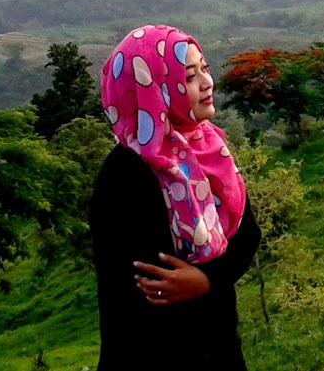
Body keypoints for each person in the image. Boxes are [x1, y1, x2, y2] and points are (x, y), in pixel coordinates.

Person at [91, 24, 260, 369]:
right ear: (154, 89)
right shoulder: (126, 174)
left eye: (205, 69)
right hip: (155, 355)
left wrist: (207, 280)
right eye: (188, 76)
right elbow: (148, 286)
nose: (207, 83)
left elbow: (247, 234)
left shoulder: (210, 148)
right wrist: (206, 282)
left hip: (221, 347)